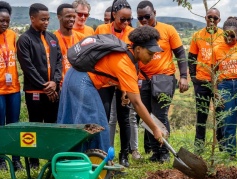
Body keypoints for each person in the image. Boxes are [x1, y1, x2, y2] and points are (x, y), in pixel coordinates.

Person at [57, 25, 164, 153]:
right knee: (95, 124)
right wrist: (155, 129)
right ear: (138, 49)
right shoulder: (125, 63)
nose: (152, 57)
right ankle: (95, 164)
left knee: (76, 120)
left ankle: (73, 159)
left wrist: (124, 91)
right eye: (150, 53)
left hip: (74, 75)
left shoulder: (126, 52)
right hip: (81, 80)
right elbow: (136, 103)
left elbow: (111, 72)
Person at [136, 0, 189, 162]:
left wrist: (184, 76)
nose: (144, 20)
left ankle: (164, 153)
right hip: (143, 80)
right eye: (140, 18)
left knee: (159, 115)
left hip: (164, 79)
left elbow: (180, 54)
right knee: (148, 117)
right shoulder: (137, 34)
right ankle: (155, 153)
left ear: (155, 13)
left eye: (147, 16)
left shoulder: (168, 30)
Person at [17, 3, 62, 170]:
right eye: (42, 19)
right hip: (35, 91)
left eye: (48, 19)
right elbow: (27, 67)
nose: (46, 22)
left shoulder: (52, 38)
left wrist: (55, 82)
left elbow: (58, 62)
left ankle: (52, 160)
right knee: (35, 125)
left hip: (53, 90)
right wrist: (45, 86)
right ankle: (33, 161)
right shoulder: (24, 39)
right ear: (32, 18)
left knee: (52, 125)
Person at [94, 0, 135, 167]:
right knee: (102, 116)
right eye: (122, 19)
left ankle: (124, 154)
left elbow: (134, 61)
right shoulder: (101, 30)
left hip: (123, 81)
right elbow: (95, 53)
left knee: (124, 118)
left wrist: (126, 88)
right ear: (113, 16)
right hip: (104, 80)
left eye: (128, 20)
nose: (125, 23)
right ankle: (102, 153)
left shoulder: (132, 33)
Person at [213, 17, 237, 160]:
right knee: (228, 120)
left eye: (232, 36)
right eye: (226, 35)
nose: (229, 38)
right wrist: (216, 92)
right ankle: (231, 154)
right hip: (225, 85)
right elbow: (214, 72)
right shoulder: (217, 49)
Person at [188, 8, 224, 152]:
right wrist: (193, 78)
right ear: (205, 18)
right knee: (201, 115)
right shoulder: (197, 35)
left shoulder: (223, 35)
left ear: (219, 20)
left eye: (215, 18)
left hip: (219, 82)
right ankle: (199, 147)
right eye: (210, 17)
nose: (212, 20)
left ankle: (222, 146)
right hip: (201, 81)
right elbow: (191, 58)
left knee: (220, 115)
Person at [0, 1, 23, 171]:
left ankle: (16, 160)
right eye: (1, 20)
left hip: (14, 88)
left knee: (14, 125)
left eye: (7, 21)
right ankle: (1, 160)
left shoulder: (13, 35)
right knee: (1, 125)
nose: (4, 24)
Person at [54, 3, 85, 85]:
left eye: (74, 17)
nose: (72, 19)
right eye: (68, 16)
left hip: (78, 84)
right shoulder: (53, 39)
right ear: (59, 17)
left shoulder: (82, 38)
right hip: (60, 85)